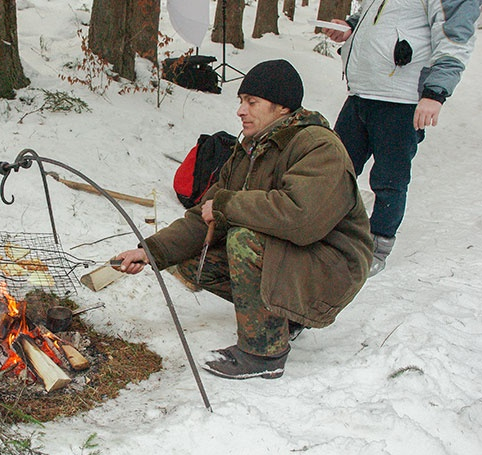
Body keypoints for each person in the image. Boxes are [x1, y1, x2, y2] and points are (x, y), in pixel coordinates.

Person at [114, 60, 373, 380]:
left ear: (282, 108)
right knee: (193, 260)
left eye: (252, 102)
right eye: (240, 101)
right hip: (294, 257)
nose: (240, 110)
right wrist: (151, 251)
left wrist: (226, 204)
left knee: (243, 239)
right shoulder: (250, 148)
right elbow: (204, 215)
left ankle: (264, 353)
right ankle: (284, 320)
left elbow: (301, 218)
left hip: (331, 264)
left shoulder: (318, 146)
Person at [322, 0, 479, 276]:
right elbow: (378, 17)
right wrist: (350, 27)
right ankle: (325, 230)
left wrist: (435, 92)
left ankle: (377, 246)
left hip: (401, 100)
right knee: (334, 168)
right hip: (361, 93)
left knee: (389, 179)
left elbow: (455, 38)